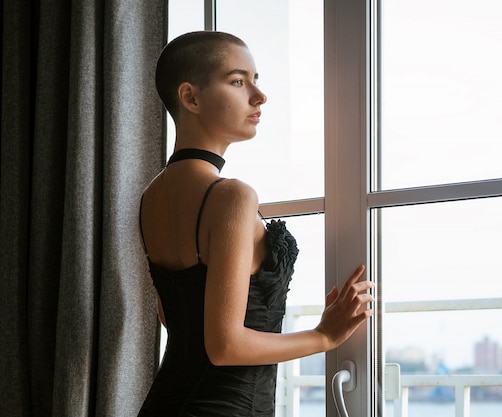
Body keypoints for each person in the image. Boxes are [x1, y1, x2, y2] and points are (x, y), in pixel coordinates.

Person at [137, 31, 374, 417]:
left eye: (256, 80)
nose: (258, 95)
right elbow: (224, 346)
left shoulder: (152, 196)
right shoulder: (231, 195)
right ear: (190, 97)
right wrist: (325, 335)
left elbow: (173, 316)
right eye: (237, 81)